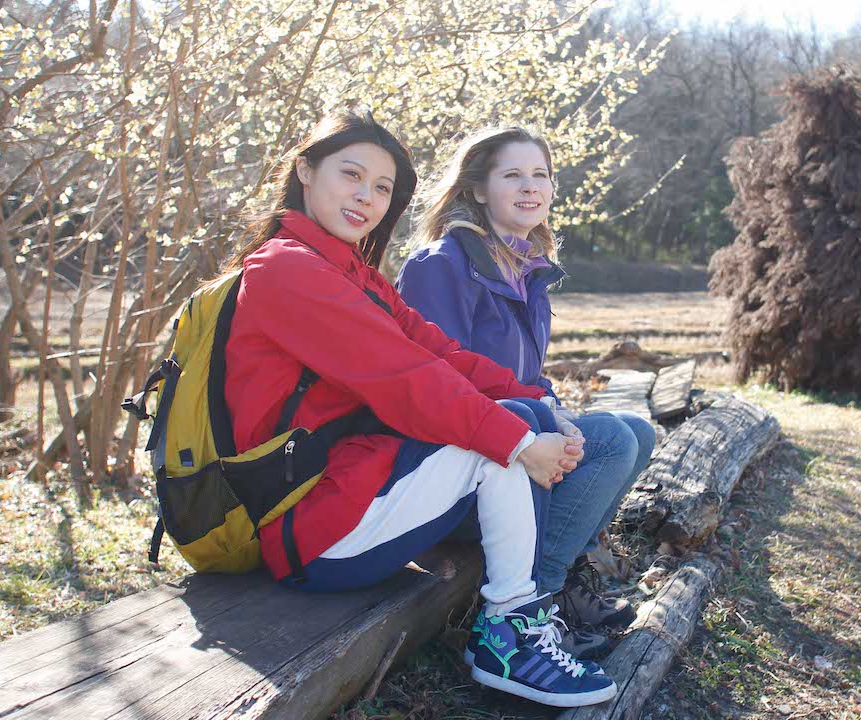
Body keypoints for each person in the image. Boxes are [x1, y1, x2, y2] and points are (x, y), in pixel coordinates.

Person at [219, 109, 615, 707]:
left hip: (357, 489)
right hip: (310, 530)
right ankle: (507, 635)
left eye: (382, 188)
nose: (366, 198)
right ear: (304, 169)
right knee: (506, 434)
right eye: (351, 175)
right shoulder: (286, 270)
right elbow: (405, 377)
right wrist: (517, 441)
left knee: (522, 416)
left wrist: (539, 403)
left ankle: (523, 616)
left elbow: (441, 353)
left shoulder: (354, 274)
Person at [397, 126, 657, 652]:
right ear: (476, 189)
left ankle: (569, 577)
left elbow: (529, 377)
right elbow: (439, 382)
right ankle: (540, 605)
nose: (530, 186)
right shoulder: (440, 265)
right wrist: (545, 418)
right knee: (612, 438)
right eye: (512, 174)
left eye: (541, 174)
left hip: (516, 438)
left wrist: (553, 409)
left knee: (636, 431)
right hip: (461, 466)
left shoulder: (526, 270)